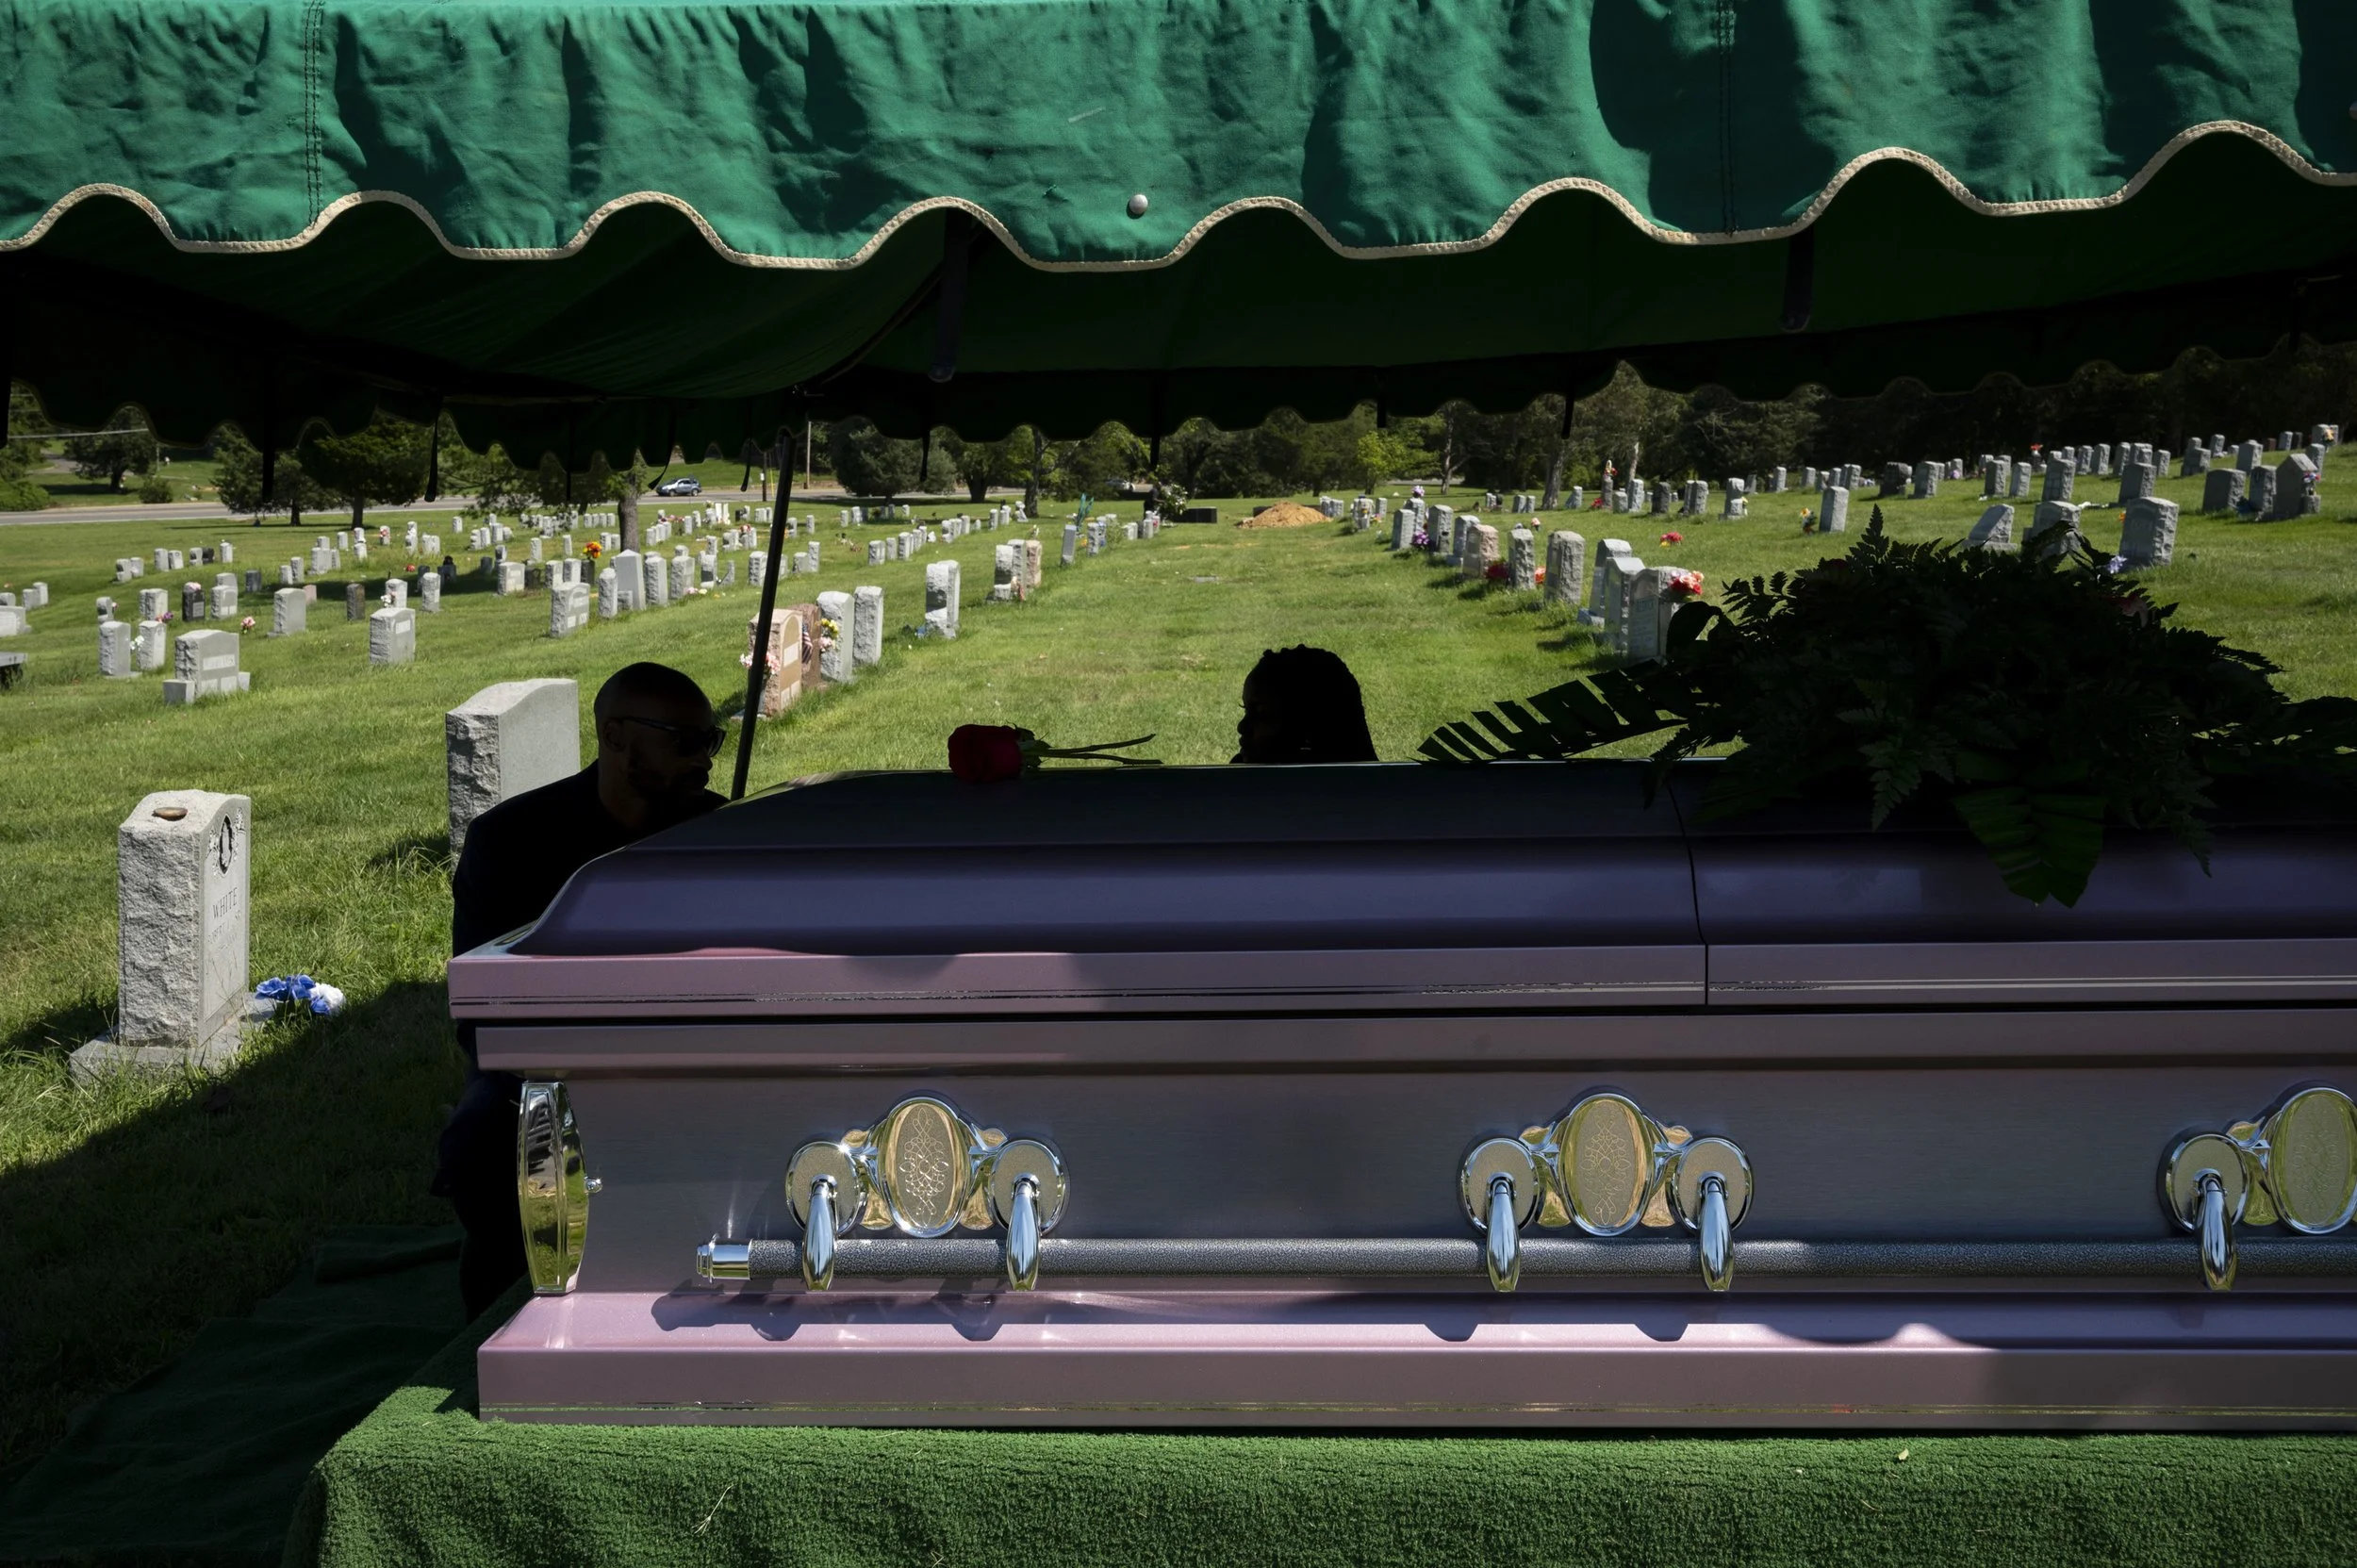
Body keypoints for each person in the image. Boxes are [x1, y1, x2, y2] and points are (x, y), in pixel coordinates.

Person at [434, 662, 727, 1316]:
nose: (704, 759)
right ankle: (509, 1301)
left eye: (712, 740)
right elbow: (483, 1017)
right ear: (617, 738)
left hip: (691, 1049)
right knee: (484, 1133)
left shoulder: (719, 832)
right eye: (685, 741)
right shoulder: (510, 841)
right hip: (548, 1062)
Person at [1232, 645, 1378, 765]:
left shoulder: (1243, 784)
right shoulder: (1377, 785)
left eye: (1260, 711)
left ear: (1308, 722)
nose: (1242, 727)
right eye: (1245, 709)